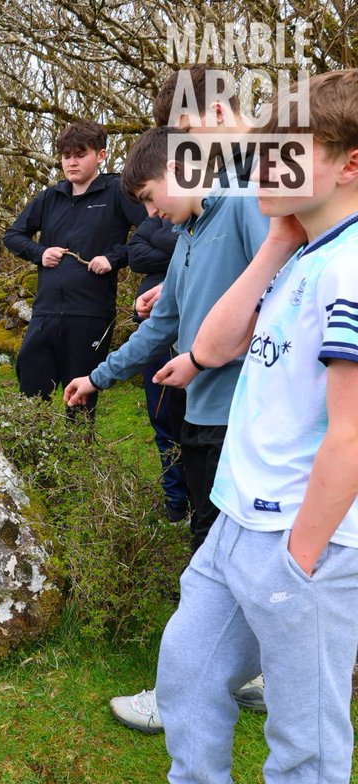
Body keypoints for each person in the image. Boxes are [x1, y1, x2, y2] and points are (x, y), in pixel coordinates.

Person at [153, 68, 358, 784]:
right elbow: (210, 348)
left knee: (305, 743)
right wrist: (275, 242)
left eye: (285, 153)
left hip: (303, 538)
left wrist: (301, 559)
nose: (261, 166)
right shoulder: (303, 252)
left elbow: (352, 434)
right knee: (185, 678)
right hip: (237, 522)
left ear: (348, 164)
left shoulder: (350, 269)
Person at [64, 124, 270, 732]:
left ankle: (181, 693)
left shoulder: (243, 209)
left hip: (244, 416)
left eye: (152, 198)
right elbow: (161, 326)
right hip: (201, 417)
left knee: (211, 562)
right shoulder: (186, 238)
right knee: (223, 555)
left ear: (180, 172)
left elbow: (278, 301)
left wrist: (204, 358)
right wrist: (98, 377)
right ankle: (254, 674)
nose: (151, 214)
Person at [3, 120, 148, 416]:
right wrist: (40, 253)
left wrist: (113, 258)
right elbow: (13, 236)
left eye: (80, 155)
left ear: (101, 155)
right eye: (66, 156)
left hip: (90, 313)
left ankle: (80, 445)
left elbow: (152, 229)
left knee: (80, 402)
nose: (72, 162)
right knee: (31, 394)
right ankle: (31, 444)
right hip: (45, 311)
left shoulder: (117, 191)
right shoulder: (50, 197)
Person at [126, 217, 190, 523]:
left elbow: (196, 249)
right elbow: (134, 254)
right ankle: (175, 500)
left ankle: (200, 500)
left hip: (190, 330)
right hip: (152, 329)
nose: (153, 211)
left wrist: (176, 248)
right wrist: (180, 251)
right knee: (161, 416)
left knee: (193, 418)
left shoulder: (213, 214)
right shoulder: (160, 214)